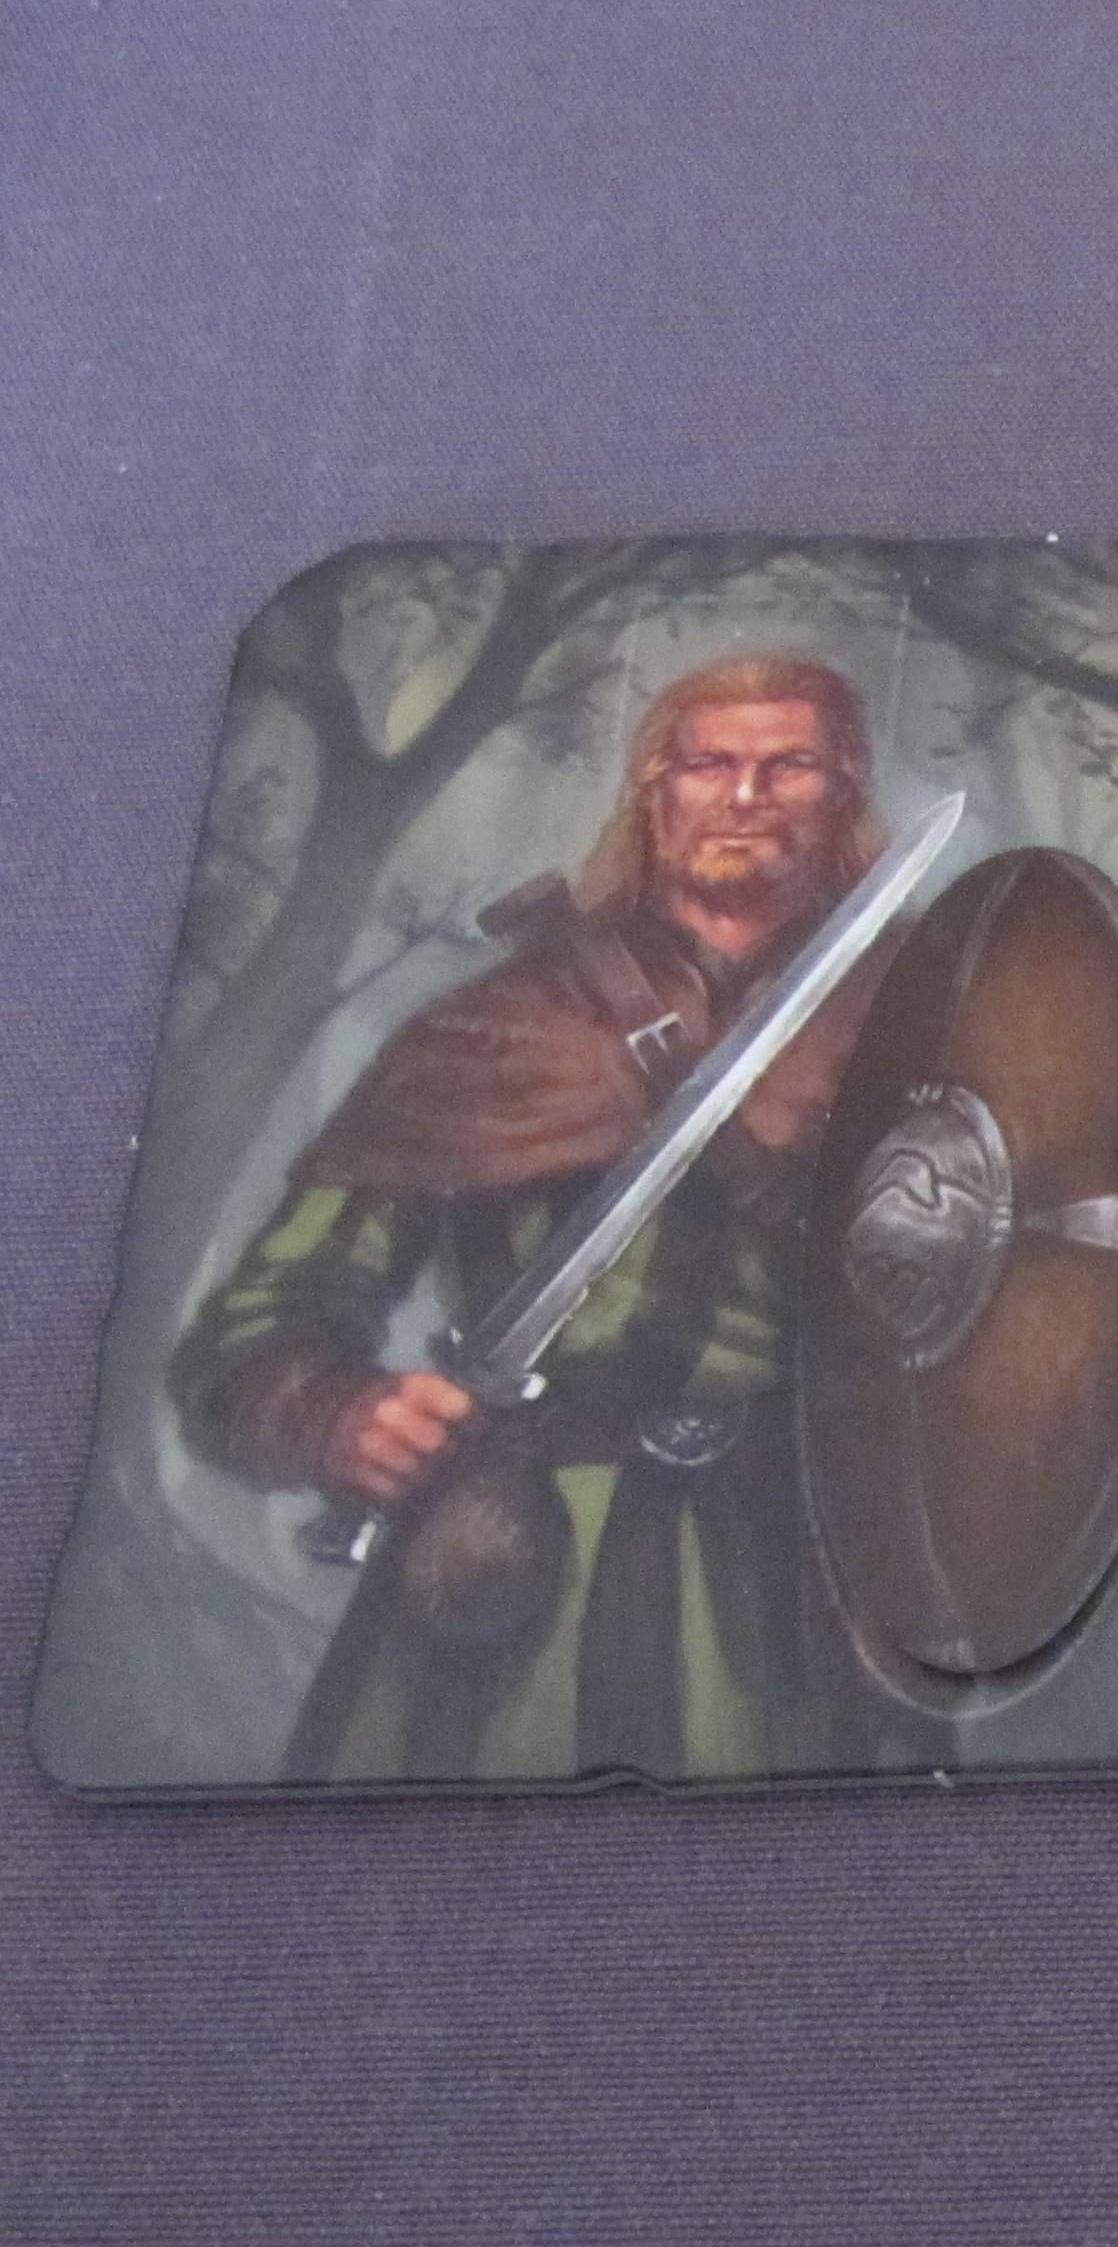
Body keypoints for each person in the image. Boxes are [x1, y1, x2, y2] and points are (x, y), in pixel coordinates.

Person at [173, 655, 901, 1781]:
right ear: (654, 793)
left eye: (790, 766)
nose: (746, 796)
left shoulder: (927, 1025)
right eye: (708, 763)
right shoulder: (497, 1027)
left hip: (799, 1571)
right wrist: (337, 1414)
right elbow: (264, 1318)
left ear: (842, 794)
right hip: (515, 1551)